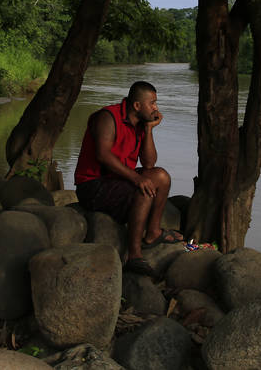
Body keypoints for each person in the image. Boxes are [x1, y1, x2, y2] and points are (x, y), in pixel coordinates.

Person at [74, 80, 183, 276]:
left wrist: (149, 129)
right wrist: (136, 178)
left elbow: (149, 164)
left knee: (161, 177)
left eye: (155, 103)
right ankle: (134, 255)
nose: (156, 108)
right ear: (137, 106)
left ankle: (153, 233)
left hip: (116, 181)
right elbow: (103, 155)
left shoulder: (140, 124)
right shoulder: (107, 117)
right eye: (152, 103)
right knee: (143, 189)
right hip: (93, 185)